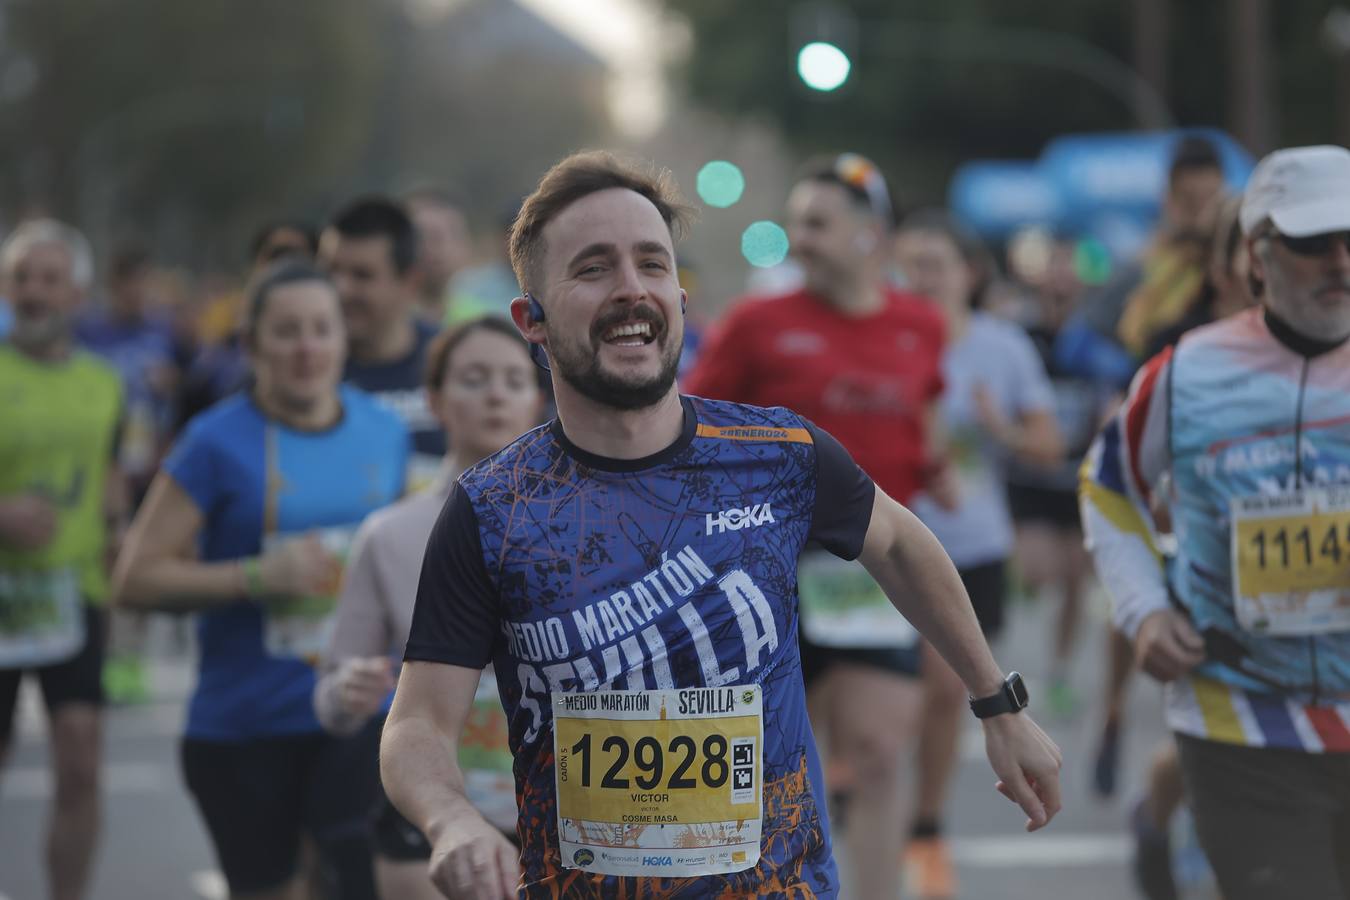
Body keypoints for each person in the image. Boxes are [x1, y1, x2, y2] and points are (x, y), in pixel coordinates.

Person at [380, 150, 1062, 900]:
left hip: (779, 889)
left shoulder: (779, 455)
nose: (631, 289)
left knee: (871, 748)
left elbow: (898, 542)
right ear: (531, 319)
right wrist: (451, 819)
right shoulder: (493, 507)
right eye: (593, 269)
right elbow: (416, 724)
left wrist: (998, 703)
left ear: (679, 293)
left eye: (650, 263)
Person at [1081, 145, 1350, 900]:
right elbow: (1107, 488)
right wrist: (1143, 610)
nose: (1340, 261)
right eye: (1313, 242)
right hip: (1241, 718)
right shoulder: (1186, 372)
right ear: (1258, 254)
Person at [684, 153, 951, 900]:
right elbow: (693, 428)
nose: (799, 237)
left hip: (872, 569)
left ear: (870, 235)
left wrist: (936, 471)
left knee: (875, 749)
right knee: (772, 760)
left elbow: (918, 423)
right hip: (761, 570)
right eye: (797, 221)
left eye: (817, 222)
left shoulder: (919, 325)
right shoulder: (756, 324)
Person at [112, 261, 408, 900]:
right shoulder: (213, 442)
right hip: (247, 725)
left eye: (321, 329)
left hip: (361, 716)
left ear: (342, 339)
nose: (307, 349)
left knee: (360, 881)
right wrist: (253, 576)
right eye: (286, 332)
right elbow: (134, 578)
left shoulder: (385, 433)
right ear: (251, 346)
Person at [315, 317, 544, 899]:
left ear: (540, 401)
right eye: (474, 379)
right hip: (428, 814)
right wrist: (348, 691)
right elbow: (330, 700)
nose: (495, 394)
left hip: (555, 806)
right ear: (435, 401)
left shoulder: (584, 529)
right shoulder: (390, 534)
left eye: (514, 381)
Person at [894, 210, 1063, 900]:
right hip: (881, 549)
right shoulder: (886, 339)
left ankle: (926, 825)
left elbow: (1049, 444)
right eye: (910, 265)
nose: (922, 278)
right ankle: (875, 788)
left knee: (942, 692)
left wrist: (1002, 431)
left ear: (970, 274)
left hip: (973, 551)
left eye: (936, 265)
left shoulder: (1003, 348)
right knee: (877, 699)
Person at [0, 220, 125, 900]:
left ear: (77, 292)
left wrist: (117, 536)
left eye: (49, 279)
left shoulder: (103, 384)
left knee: (80, 766)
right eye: (22, 278)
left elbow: (107, 474)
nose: (34, 292)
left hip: (74, 593)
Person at [319, 196, 446, 489]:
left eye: (361, 275)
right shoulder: (299, 368)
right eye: (330, 271)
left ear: (410, 282)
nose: (340, 289)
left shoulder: (452, 360)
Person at [405, 188, 474, 325]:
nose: (434, 248)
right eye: (424, 237)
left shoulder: (480, 318)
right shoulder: (388, 317)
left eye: (451, 235)